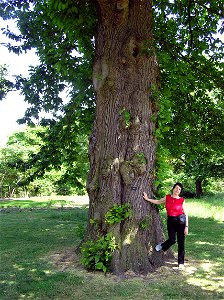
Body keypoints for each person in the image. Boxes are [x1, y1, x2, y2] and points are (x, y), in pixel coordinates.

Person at [143, 182, 188, 270]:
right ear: (173, 188)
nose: (177, 190)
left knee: (181, 242)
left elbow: (186, 214)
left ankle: (181, 263)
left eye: (179, 189)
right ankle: (163, 246)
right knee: (172, 240)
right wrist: (147, 199)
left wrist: (186, 227)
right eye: (176, 188)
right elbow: (158, 201)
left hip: (181, 221)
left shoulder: (182, 200)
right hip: (171, 220)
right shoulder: (167, 197)